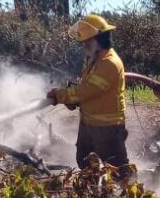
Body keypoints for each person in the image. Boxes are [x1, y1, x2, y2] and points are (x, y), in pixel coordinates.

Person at [47, 14, 131, 178]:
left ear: (100, 39)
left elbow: (88, 90)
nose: (84, 45)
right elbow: (88, 91)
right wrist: (75, 100)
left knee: (117, 170)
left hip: (108, 128)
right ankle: (96, 190)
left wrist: (62, 95)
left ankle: (128, 191)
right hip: (88, 124)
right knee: (85, 163)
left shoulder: (109, 63)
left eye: (87, 41)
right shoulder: (93, 59)